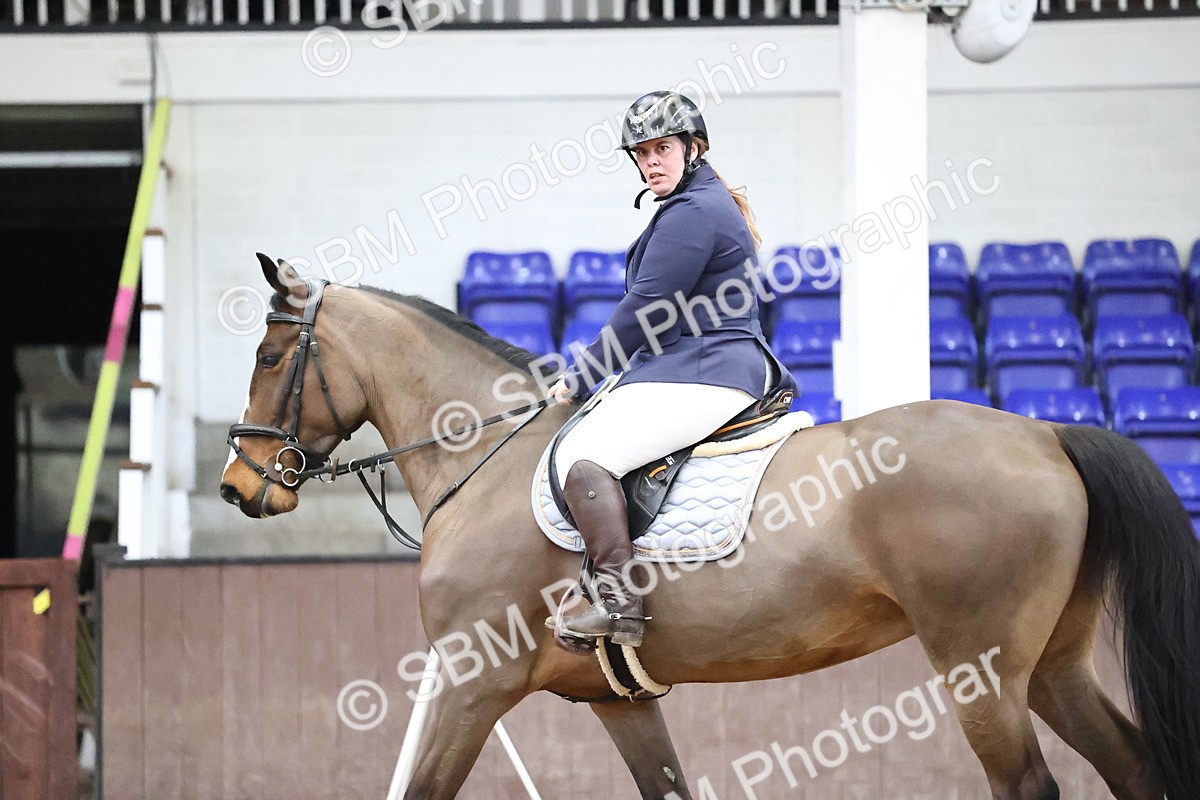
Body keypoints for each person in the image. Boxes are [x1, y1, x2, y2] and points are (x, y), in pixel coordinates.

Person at [546, 91, 798, 648]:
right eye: (641, 152)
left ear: (692, 147)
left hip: (710, 369)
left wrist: (582, 374)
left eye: (662, 148)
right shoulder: (695, 204)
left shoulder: (693, 213)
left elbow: (646, 309)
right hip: (692, 365)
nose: (651, 161)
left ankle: (619, 608)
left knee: (586, 462)